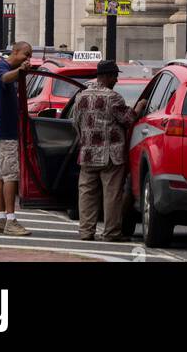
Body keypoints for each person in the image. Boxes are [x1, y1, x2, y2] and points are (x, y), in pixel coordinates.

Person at [71, 60, 145, 242]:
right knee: (112, 194)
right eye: (115, 76)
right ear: (107, 76)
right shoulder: (113, 97)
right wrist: (139, 107)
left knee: (87, 194)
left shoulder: (81, 96)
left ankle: (86, 232)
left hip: (87, 154)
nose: (117, 80)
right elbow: (128, 120)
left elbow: (75, 122)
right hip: (110, 155)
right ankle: (111, 233)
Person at [0, 40, 34, 236]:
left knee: (2, 175)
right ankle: (10, 220)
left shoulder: (5, 68)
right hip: (5, 132)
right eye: (26, 55)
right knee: (10, 176)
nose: (28, 59)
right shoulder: (0, 67)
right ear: (14, 52)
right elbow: (6, 78)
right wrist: (21, 71)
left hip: (3, 130)